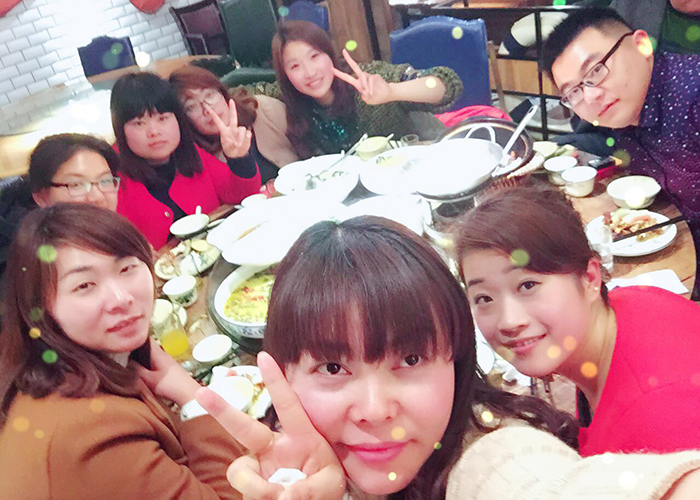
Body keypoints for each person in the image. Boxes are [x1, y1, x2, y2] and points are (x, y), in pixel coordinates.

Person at [198, 216, 700, 500]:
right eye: (333, 368)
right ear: (283, 375)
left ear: (456, 362)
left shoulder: (489, 452)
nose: (375, 410)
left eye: (411, 358)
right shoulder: (291, 471)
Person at [0, 203, 245, 499]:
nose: (121, 298)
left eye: (127, 268)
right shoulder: (92, 434)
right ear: (39, 309)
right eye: (84, 285)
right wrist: (194, 397)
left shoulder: (64, 362)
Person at [454, 184, 700, 457]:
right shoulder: (623, 306)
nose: (509, 321)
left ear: (590, 278)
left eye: (527, 285)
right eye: (484, 298)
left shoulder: (659, 425)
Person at [541, 8, 700, 296]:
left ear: (641, 45)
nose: (590, 95)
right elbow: (599, 142)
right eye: (573, 92)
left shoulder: (692, 94)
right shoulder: (623, 113)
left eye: (596, 71)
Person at [240, 20, 463, 159]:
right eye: (295, 66)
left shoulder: (367, 79)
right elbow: (237, 92)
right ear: (286, 75)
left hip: (431, 161)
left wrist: (392, 91)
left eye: (315, 56)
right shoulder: (290, 96)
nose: (309, 72)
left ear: (329, 54)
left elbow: (445, 84)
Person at [110, 72, 262, 249]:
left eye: (162, 118)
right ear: (120, 130)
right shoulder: (110, 179)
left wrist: (239, 159)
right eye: (138, 123)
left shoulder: (191, 153)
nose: (154, 132)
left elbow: (241, 195)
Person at [0, 133, 122, 295]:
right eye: (76, 185)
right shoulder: (26, 268)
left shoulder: (109, 236)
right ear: (42, 197)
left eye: (105, 181)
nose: (97, 197)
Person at [169, 65, 299, 184]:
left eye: (209, 95)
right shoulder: (196, 159)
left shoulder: (263, 109)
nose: (208, 109)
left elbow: (306, 148)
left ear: (222, 93)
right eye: (192, 106)